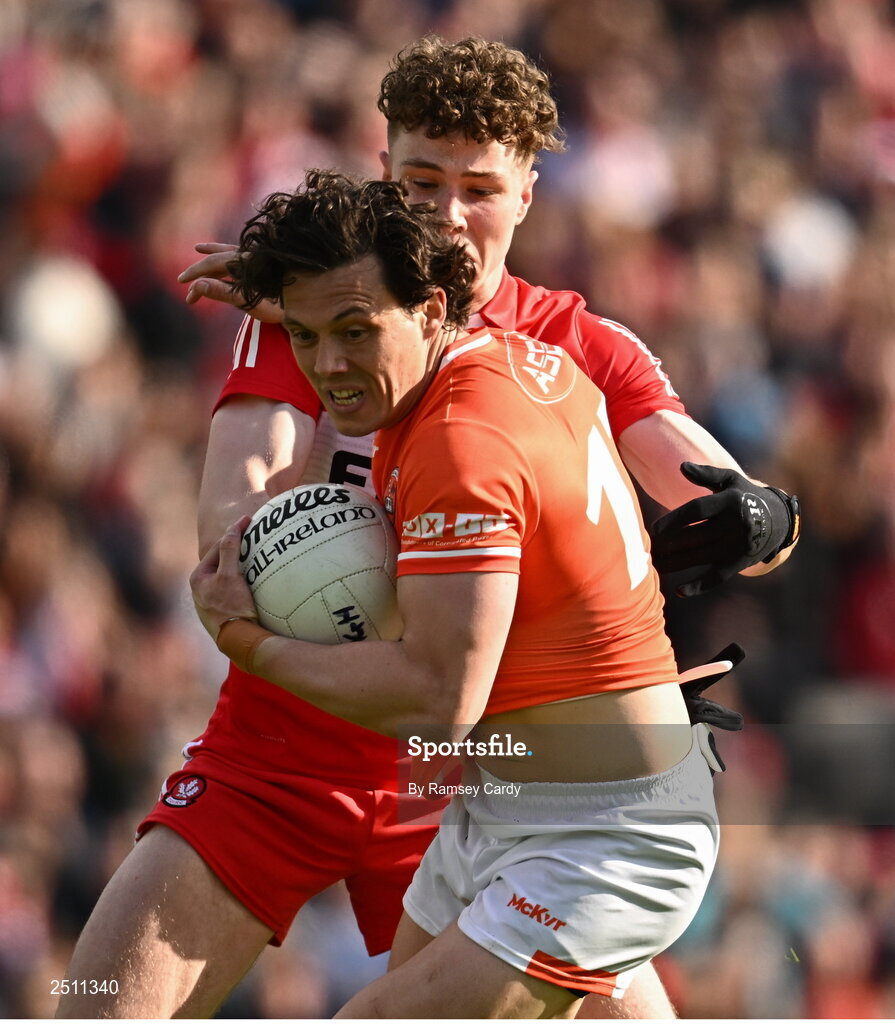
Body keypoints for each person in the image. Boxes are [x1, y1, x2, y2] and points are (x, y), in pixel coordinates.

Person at [57, 37, 799, 1019]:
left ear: (529, 193)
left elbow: (714, 484)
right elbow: (235, 528)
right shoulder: (304, 314)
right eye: (420, 180)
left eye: (479, 187)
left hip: (494, 775)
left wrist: (757, 515)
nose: (448, 212)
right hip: (290, 749)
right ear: (382, 172)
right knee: (98, 1004)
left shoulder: (572, 344)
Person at [189, 168, 722, 1018]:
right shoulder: (493, 363)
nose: (329, 365)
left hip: (606, 839)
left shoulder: (459, 442)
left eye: (354, 330)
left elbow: (440, 702)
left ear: (431, 310)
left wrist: (245, 642)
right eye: (305, 334)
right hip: (508, 805)